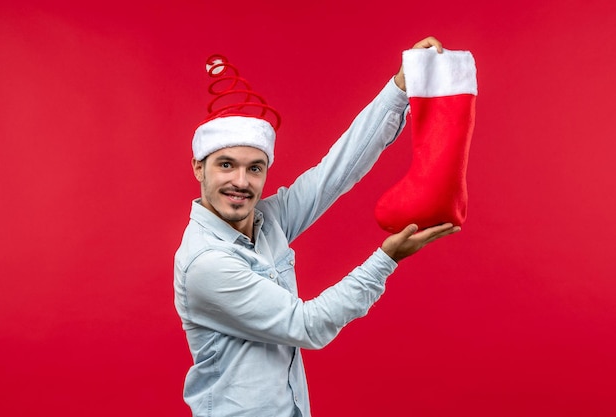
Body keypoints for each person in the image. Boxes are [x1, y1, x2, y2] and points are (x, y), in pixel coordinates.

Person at [174, 36, 460, 417]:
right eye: (226, 165)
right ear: (199, 167)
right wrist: (387, 258)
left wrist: (398, 90)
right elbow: (306, 325)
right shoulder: (206, 262)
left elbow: (333, 175)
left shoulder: (266, 220)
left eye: (254, 168)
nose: (240, 181)